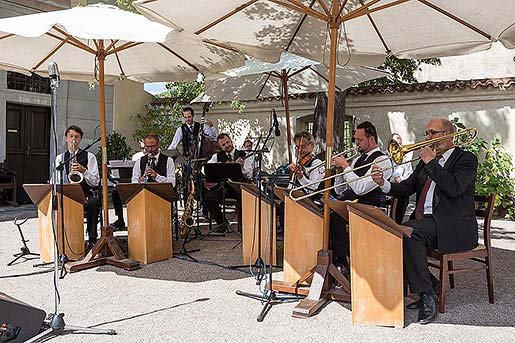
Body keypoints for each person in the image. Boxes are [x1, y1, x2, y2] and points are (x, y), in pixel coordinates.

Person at [371, 118, 478, 325]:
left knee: (408, 232)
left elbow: (454, 188)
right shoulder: (425, 162)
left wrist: (431, 162)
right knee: (397, 232)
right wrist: (382, 183)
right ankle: (430, 285)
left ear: (449, 135)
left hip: (454, 225)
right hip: (426, 222)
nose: (427, 138)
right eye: (426, 133)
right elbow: (405, 189)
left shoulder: (466, 159)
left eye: (432, 133)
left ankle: (427, 295)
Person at [330, 121, 392, 271]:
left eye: (359, 140)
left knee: (334, 217)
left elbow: (360, 189)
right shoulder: (358, 159)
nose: (356, 143)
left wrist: (345, 166)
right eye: (355, 139)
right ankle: (340, 261)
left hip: (373, 208)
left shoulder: (382, 161)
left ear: (371, 139)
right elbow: (340, 191)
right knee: (327, 213)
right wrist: (339, 172)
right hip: (354, 206)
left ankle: (343, 263)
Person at [111, 133, 176, 229]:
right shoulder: (140, 161)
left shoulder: (168, 160)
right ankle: (129, 223)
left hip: (161, 195)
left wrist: (157, 176)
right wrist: (139, 182)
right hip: (143, 194)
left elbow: (172, 183)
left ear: (158, 144)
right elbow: (134, 179)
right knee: (116, 192)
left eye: (153, 146)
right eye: (147, 147)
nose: (150, 149)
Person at [54, 125, 100, 250]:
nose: (73, 139)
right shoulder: (60, 158)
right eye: (71, 136)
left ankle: (92, 239)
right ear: (66, 139)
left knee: (94, 203)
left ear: (80, 140)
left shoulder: (90, 157)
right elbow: (56, 180)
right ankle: (62, 239)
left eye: (76, 137)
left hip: (84, 193)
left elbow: (96, 181)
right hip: (67, 194)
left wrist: (84, 171)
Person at [203, 133, 252, 231]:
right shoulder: (217, 156)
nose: (227, 145)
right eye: (223, 145)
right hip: (224, 187)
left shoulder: (244, 155)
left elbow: (249, 175)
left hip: (239, 187)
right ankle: (222, 223)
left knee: (244, 198)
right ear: (220, 147)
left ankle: (243, 227)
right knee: (208, 198)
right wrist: (220, 166)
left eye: (228, 142)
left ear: (231, 140)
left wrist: (241, 167)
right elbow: (204, 170)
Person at [389, 133, 413, 224]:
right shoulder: (384, 157)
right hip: (386, 188)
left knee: (403, 194)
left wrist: (401, 179)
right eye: (394, 143)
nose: (397, 146)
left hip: (398, 189)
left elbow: (410, 175)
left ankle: (396, 224)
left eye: (399, 144)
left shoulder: (405, 159)